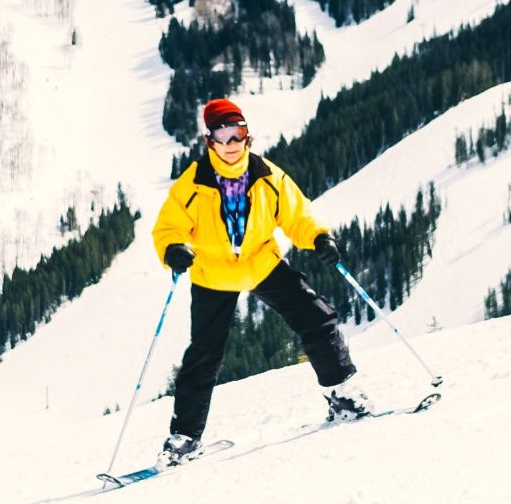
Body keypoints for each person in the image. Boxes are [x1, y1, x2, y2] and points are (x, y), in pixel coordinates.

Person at [149, 97, 370, 466]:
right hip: (214, 272)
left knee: (317, 317)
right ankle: (185, 437)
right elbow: (169, 227)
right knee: (204, 354)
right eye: (223, 135)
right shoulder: (193, 183)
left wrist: (318, 236)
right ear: (210, 141)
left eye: (238, 134)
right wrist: (172, 248)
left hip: (261, 261)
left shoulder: (268, 175)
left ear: (247, 136)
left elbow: (298, 214)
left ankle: (341, 394)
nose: (232, 143)